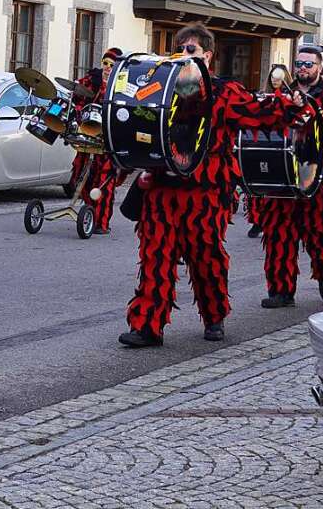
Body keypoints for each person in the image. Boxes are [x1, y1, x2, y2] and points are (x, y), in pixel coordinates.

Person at [119, 23, 305, 348]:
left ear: (207, 54)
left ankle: (214, 315)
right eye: (180, 49)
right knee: (155, 256)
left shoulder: (224, 92)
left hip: (205, 191)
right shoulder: (162, 88)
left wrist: (289, 104)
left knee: (206, 257)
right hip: (164, 187)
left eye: (190, 50)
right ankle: (147, 325)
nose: (183, 56)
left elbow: (257, 112)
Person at [257, 45, 323, 308]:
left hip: (319, 179)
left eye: (309, 64)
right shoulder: (282, 97)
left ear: (319, 67)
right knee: (278, 234)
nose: (303, 69)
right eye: (299, 64)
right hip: (284, 177)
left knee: (319, 237)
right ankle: (281, 290)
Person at [70, 48, 124, 233]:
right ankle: (89, 213)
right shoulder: (91, 80)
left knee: (104, 181)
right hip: (88, 134)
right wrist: (77, 111)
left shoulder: (122, 85)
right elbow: (75, 96)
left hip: (109, 138)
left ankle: (102, 222)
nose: (108, 68)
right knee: (81, 175)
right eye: (105, 64)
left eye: (112, 65)